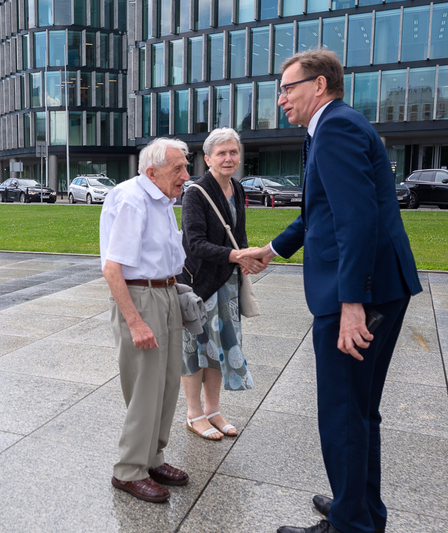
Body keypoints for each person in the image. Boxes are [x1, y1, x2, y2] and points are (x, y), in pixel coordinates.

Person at [243, 50, 422, 533]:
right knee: (359, 411)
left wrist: (351, 304)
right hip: (381, 285)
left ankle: (351, 525)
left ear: (319, 85)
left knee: (343, 413)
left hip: (362, 294)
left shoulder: (336, 129)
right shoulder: (335, 126)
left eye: (287, 87)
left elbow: (357, 221)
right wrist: (273, 249)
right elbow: (321, 212)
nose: (280, 98)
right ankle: (357, 509)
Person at [100, 137, 191, 504]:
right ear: (151, 172)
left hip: (165, 293)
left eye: (185, 166)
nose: (186, 174)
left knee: (168, 383)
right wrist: (135, 321)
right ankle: (129, 471)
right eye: (179, 169)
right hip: (140, 296)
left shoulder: (163, 198)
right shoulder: (132, 199)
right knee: (144, 389)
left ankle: (153, 459)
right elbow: (113, 269)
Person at [178, 128, 264, 441]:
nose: (228, 158)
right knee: (196, 351)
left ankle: (213, 410)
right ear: (208, 158)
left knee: (219, 349)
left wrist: (245, 261)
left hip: (227, 283)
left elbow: (237, 235)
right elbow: (196, 244)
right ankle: (193, 413)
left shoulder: (237, 189)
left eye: (233, 152)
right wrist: (236, 255)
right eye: (222, 153)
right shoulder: (195, 193)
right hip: (200, 285)